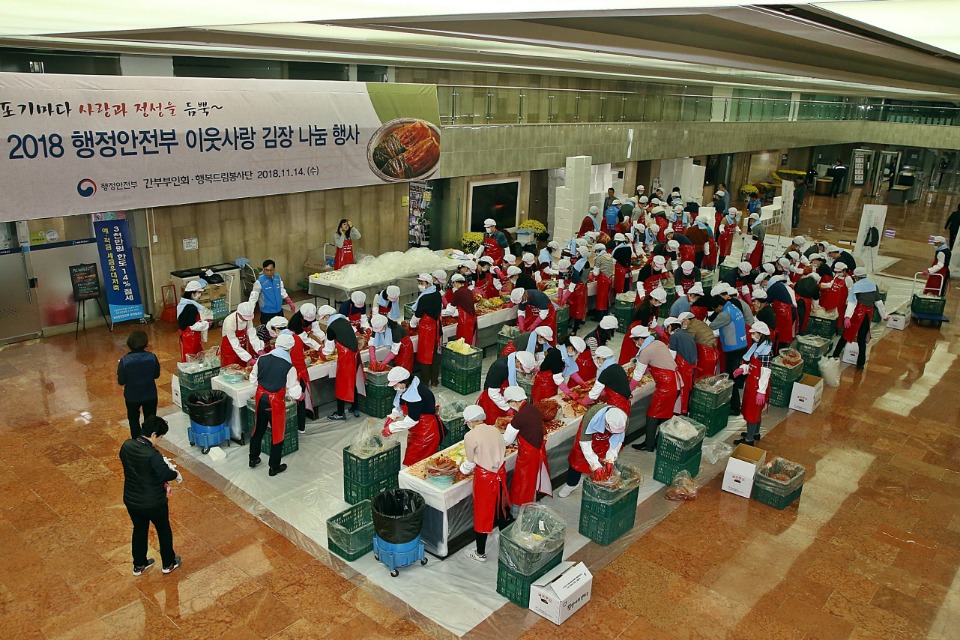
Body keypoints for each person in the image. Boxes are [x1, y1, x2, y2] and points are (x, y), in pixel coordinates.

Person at [119, 415, 181, 576]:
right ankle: (169, 563)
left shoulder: (126, 446)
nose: (159, 440)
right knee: (163, 529)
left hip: (132, 499)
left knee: (139, 529)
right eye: (160, 437)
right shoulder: (152, 455)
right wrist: (175, 474)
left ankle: (139, 564)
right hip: (154, 501)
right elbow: (164, 474)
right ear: (153, 435)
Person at [459, 405, 511, 563]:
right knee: (502, 509)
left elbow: (470, 462)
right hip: (500, 474)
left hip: (485, 477)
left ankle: (480, 553)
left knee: (482, 513)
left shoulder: (470, 436)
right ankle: (509, 545)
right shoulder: (495, 429)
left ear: (469, 421)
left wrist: (461, 469)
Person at [249, 333, 303, 476]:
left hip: (260, 398)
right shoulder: (289, 367)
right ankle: (274, 466)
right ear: (290, 349)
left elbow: (252, 380)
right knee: (277, 434)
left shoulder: (262, 359)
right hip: (275, 402)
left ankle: (253, 458)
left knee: (258, 428)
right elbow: (295, 393)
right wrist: (296, 387)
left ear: (276, 344)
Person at [556, 404, 628, 498]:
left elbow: (617, 441)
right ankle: (571, 484)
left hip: (604, 441)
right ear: (606, 422)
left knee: (603, 461)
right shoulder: (591, 416)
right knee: (577, 460)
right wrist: (595, 465)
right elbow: (585, 443)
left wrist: (610, 458)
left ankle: (599, 486)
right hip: (587, 438)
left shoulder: (623, 420)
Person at [627, 325, 680, 451]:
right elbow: (664, 360)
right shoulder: (658, 343)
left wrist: (628, 391)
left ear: (640, 340)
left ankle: (649, 444)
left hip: (666, 387)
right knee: (665, 415)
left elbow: (637, 375)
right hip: (676, 382)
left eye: (635, 340)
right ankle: (660, 441)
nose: (635, 344)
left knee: (652, 415)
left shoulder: (646, 351)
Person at [502, 386, 552, 508]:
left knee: (522, 484)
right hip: (536, 450)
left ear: (514, 401)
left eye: (509, 402)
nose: (510, 405)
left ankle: (519, 511)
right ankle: (530, 504)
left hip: (527, 456)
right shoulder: (532, 408)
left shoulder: (519, 417)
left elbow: (506, 440)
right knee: (531, 482)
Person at [383, 367, 444, 466]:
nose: (394, 388)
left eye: (395, 385)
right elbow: (400, 402)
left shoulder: (416, 395)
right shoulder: (407, 387)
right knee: (413, 459)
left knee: (418, 463)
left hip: (426, 432)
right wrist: (394, 415)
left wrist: (392, 428)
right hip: (416, 431)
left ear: (404, 381)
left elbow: (412, 419)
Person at [831, 268, 888, 370]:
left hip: (857, 314)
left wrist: (847, 317)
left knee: (846, 335)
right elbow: (879, 302)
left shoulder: (856, 286)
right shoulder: (873, 286)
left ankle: (835, 355)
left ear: (856, 277)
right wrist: (884, 315)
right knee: (862, 340)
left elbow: (852, 303)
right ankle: (860, 364)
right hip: (867, 315)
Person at [316, 305, 364, 420]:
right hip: (355, 355)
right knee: (352, 382)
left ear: (327, 316)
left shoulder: (331, 327)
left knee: (341, 385)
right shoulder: (343, 319)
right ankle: (355, 408)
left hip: (346, 359)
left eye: (324, 318)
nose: (324, 320)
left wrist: (322, 353)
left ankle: (340, 412)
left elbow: (329, 349)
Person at [733, 321, 774, 446]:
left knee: (752, 413)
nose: (752, 335)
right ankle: (755, 433)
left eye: (754, 333)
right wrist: (744, 369)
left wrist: (761, 391)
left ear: (760, 334)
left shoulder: (765, 352)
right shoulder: (758, 346)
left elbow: (765, 372)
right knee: (755, 412)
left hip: (758, 387)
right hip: (752, 383)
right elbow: (753, 365)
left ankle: (749, 440)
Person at [708, 290, 749, 415]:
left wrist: (711, 316)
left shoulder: (725, 314)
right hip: (742, 345)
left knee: (732, 378)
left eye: (716, 309)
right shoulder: (733, 306)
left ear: (720, 306)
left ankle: (735, 408)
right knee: (736, 375)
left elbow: (712, 326)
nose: (716, 312)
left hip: (733, 348)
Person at [117, 330, 161, 439]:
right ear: (145, 342)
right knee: (150, 420)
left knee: (133, 420)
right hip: (150, 394)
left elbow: (121, 381)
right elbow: (156, 375)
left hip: (132, 396)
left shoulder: (124, 361)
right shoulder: (152, 357)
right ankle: (149, 440)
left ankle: (137, 442)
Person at [477, 351, 536, 421]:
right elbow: (492, 393)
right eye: (522, 368)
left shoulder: (511, 362)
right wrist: (507, 408)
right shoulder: (501, 367)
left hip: (503, 395)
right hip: (493, 400)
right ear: (517, 361)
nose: (522, 371)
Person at [411, 273, 443, 387]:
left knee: (424, 356)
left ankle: (425, 381)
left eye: (422, 283)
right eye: (419, 283)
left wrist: (412, 322)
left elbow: (418, 314)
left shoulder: (425, 297)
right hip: (436, 327)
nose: (420, 285)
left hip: (427, 330)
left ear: (428, 283)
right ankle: (434, 380)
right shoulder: (437, 293)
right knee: (434, 355)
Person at [580, 346, 632, 415]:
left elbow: (594, 394)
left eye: (598, 358)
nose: (598, 361)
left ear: (602, 358)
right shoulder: (617, 367)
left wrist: (584, 402)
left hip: (617, 405)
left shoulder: (606, 372)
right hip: (624, 403)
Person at [249, 259, 294, 326]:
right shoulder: (259, 282)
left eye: (271, 270)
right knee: (267, 333)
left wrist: (290, 302)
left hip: (279, 310)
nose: (269, 272)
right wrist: (250, 310)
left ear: (274, 269)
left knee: (281, 330)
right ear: (263, 270)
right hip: (267, 312)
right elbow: (253, 298)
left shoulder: (277, 278)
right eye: (267, 270)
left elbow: (282, 291)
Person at [220, 301, 264, 367]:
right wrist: (249, 359)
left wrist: (259, 349)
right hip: (229, 349)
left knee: (242, 369)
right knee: (230, 370)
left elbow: (252, 335)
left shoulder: (248, 319)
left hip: (241, 347)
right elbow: (234, 343)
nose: (247, 320)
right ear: (239, 314)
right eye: (245, 318)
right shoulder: (230, 322)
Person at [680, 311, 718, 380]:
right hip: (713, 349)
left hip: (705, 352)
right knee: (708, 374)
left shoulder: (692, 327)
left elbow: (688, 341)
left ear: (686, 320)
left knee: (702, 375)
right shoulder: (700, 322)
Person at [443, 274, 478, 345]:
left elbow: (450, 310)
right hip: (472, 318)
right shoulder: (468, 291)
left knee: (463, 341)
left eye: (453, 283)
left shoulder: (457, 293)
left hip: (464, 321)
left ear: (455, 282)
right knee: (470, 340)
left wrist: (444, 312)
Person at [175, 295, 209, 363]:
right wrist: (206, 324)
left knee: (193, 356)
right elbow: (192, 325)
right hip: (190, 337)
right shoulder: (191, 308)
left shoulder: (183, 306)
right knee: (191, 357)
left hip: (190, 336)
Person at [592, 244, 615, 318]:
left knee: (600, 298)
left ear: (598, 250)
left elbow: (596, 272)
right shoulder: (610, 257)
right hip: (609, 278)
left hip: (602, 279)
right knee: (606, 297)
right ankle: (605, 313)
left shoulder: (599, 258)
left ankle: (599, 316)